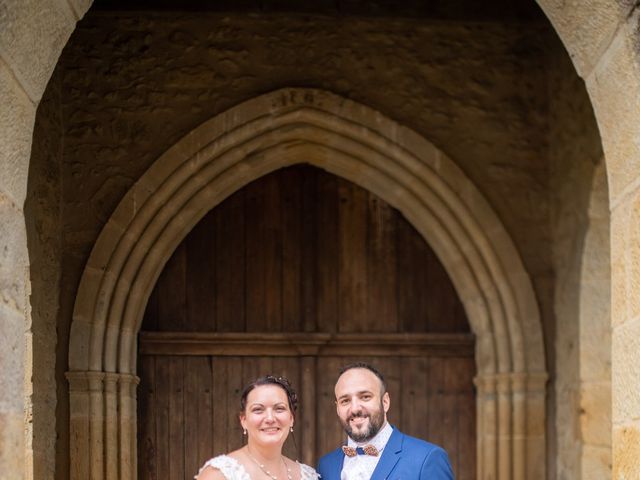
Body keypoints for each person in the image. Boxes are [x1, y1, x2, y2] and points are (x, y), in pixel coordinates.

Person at [317, 362, 454, 480]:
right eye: (345, 400)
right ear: (337, 408)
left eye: (365, 397)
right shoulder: (325, 466)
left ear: (385, 402)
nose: (355, 409)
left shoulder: (427, 458)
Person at [196, 375, 319, 480]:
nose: (270, 418)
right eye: (258, 410)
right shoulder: (219, 475)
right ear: (243, 420)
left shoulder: (308, 476)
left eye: (279, 408)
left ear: (291, 418)